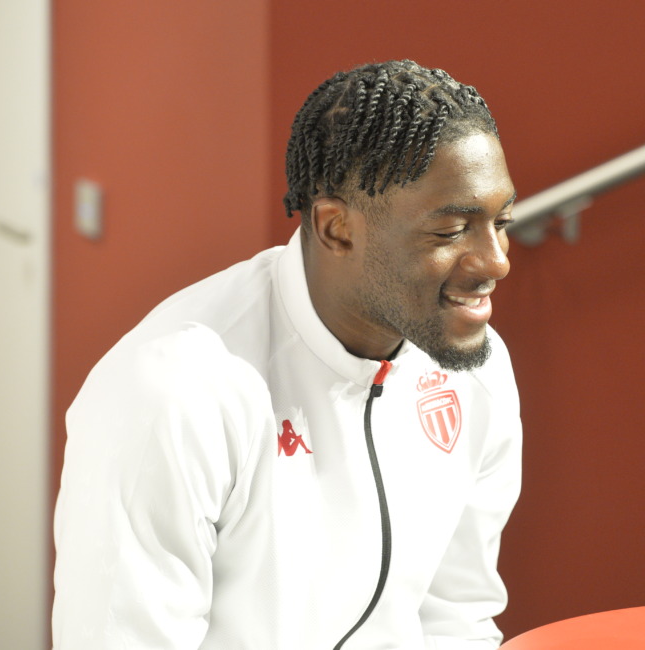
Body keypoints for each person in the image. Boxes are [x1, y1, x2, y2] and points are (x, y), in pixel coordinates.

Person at [52, 60, 522, 649]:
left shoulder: (477, 370)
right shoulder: (174, 392)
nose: (497, 260)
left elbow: (457, 619)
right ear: (336, 228)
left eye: (502, 221)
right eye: (451, 231)